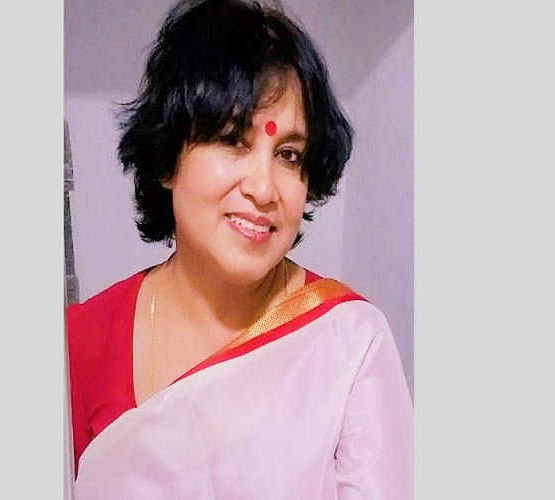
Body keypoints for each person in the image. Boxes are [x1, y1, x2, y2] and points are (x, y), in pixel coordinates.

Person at [65, 0, 413, 498]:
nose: (264, 188)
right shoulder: (79, 345)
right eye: (233, 139)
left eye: (288, 155)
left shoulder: (349, 342)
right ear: (166, 157)